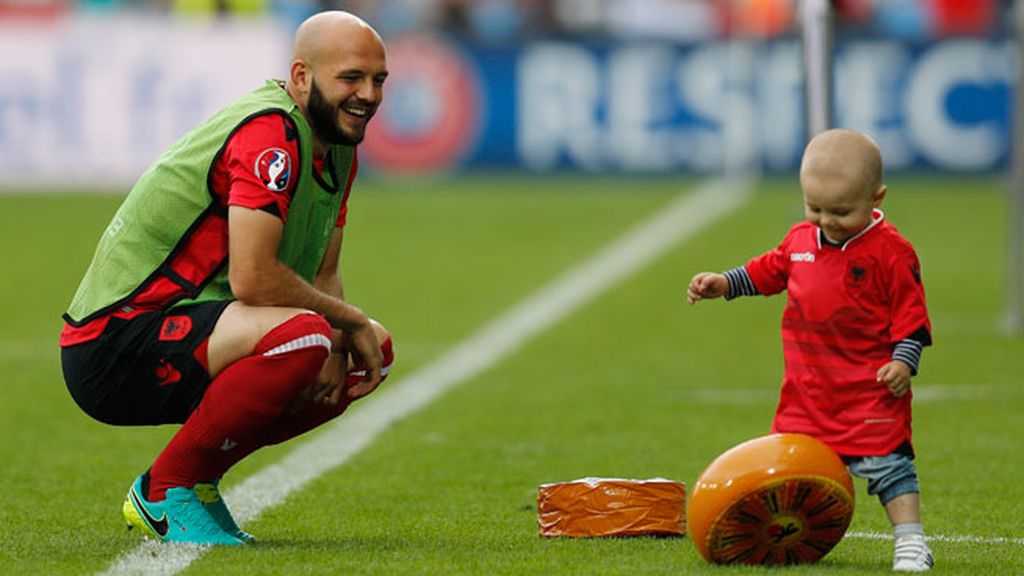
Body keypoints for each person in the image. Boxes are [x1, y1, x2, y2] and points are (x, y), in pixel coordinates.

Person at [59, 11, 394, 546]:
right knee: (306, 335)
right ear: (303, 76)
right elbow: (255, 279)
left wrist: (343, 337)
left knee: (368, 350)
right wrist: (340, 321)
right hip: (116, 340)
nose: (368, 94)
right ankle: (166, 487)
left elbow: (325, 270)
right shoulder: (271, 135)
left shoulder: (337, 146)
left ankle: (200, 478)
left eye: (378, 80)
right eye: (351, 78)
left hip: (198, 327)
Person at [686, 129, 934, 572]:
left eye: (841, 211)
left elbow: (911, 317)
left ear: (877, 198)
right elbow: (767, 271)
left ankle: (911, 542)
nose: (827, 221)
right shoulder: (801, 240)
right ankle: (787, 539)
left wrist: (902, 361)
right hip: (808, 392)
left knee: (889, 467)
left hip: (868, 390)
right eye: (815, 208)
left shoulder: (892, 253)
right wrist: (724, 283)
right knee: (794, 470)